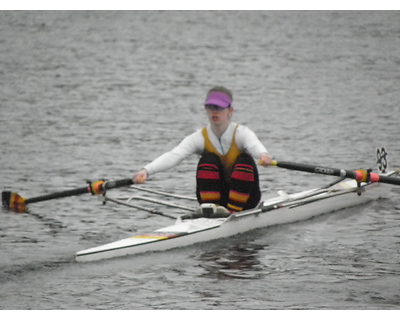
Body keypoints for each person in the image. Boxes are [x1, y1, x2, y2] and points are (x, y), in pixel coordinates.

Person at [133, 86, 273, 213]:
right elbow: (174, 155)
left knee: (244, 160)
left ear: (230, 111)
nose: (214, 111)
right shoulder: (199, 137)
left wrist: (263, 155)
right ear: (206, 109)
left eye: (219, 107)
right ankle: (211, 211)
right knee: (208, 160)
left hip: (246, 199)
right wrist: (146, 171)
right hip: (215, 199)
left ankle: (233, 212)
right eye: (210, 107)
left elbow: (255, 146)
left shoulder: (242, 133)